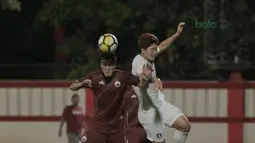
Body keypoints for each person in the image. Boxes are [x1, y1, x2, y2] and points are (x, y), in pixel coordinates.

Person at [69, 53, 157, 143]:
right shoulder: (94, 77)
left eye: (110, 65)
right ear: (101, 65)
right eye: (105, 65)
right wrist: (81, 85)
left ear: (115, 65)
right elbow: (72, 86)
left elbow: (141, 84)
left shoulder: (123, 76)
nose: (107, 68)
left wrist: (146, 75)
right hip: (98, 128)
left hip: (116, 130)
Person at [131, 22, 191, 143]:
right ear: (143, 50)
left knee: (185, 126)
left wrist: (176, 34)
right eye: (152, 50)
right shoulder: (139, 62)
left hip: (159, 103)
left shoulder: (150, 55)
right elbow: (141, 81)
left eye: (155, 49)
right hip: (148, 111)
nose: (155, 52)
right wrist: (152, 78)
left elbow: (163, 45)